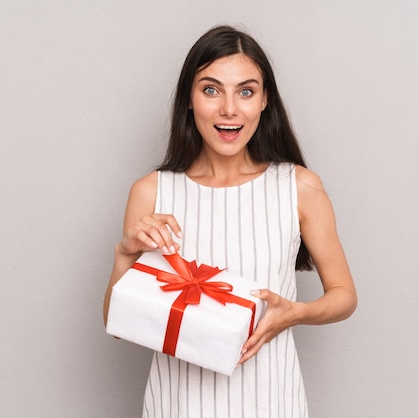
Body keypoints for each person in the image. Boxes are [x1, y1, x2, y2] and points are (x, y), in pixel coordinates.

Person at [103, 25, 357, 417]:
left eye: (245, 91)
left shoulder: (299, 187)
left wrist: (296, 312)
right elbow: (118, 324)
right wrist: (124, 252)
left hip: (271, 400)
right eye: (210, 89)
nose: (229, 109)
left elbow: (344, 294)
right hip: (178, 405)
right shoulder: (151, 191)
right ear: (189, 99)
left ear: (264, 100)